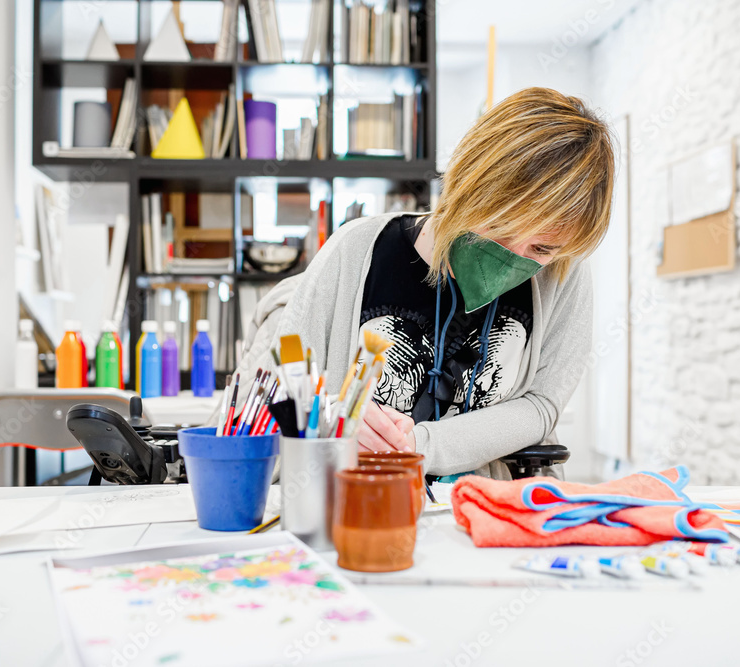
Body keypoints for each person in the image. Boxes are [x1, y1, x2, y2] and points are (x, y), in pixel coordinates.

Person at [235, 87, 615, 480]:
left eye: (541, 248)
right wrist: (333, 415)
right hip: (352, 497)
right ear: (469, 182)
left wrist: (419, 444)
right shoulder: (355, 249)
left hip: (481, 510)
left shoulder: (565, 272)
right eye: (501, 228)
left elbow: (541, 405)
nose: (514, 256)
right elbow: (282, 387)